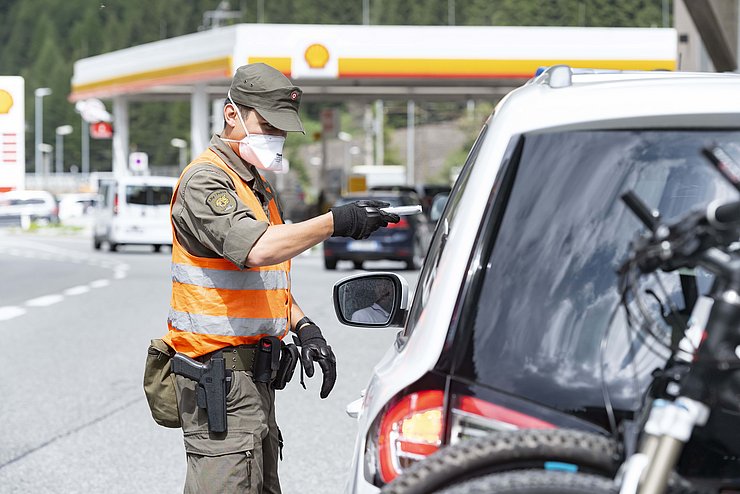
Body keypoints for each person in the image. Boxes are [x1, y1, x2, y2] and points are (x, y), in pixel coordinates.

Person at [160, 63, 399, 493]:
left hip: (251, 384)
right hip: (220, 382)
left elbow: (265, 280)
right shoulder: (206, 180)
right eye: (267, 125)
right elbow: (258, 249)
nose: (276, 137)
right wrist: (335, 222)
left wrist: (304, 327)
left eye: (282, 129)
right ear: (232, 114)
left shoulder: (253, 185)